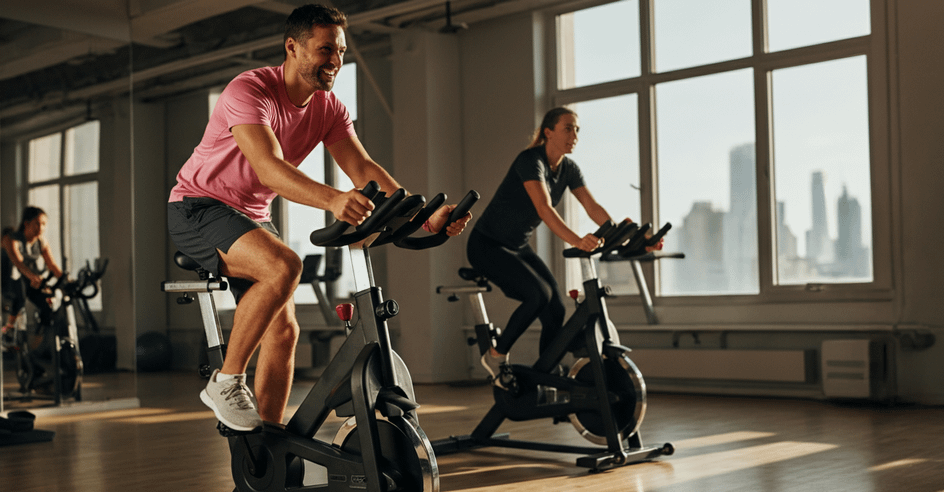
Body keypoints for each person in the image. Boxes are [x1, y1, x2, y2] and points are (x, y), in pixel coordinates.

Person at [167, 4, 469, 432]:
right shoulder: (249, 90)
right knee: (285, 265)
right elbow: (269, 168)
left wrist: (422, 217)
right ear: (292, 47)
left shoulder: (329, 108)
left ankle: (267, 446)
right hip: (198, 206)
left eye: (341, 51)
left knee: (284, 332)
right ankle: (226, 382)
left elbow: (364, 170)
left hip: (250, 215)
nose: (335, 61)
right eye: (325, 49)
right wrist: (332, 200)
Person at [466, 107, 661, 388]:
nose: (574, 135)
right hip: (487, 245)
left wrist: (629, 238)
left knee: (555, 308)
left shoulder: (568, 169)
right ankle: (496, 355)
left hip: (517, 246)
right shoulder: (530, 161)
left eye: (577, 130)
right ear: (548, 132)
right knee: (537, 296)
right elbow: (544, 209)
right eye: (568, 128)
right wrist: (577, 240)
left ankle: (545, 373)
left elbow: (592, 207)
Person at [0, 208, 65, 347]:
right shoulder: (11, 239)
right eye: (37, 223)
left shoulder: (41, 242)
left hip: (28, 280)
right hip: (9, 278)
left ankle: (36, 344)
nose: (41, 228)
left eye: (44, 224)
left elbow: (52, 264)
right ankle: (7, 331)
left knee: (48, 304)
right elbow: (18, 262)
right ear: (26, 223)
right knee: (19, 296)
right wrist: (33, 277)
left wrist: (66, 279)